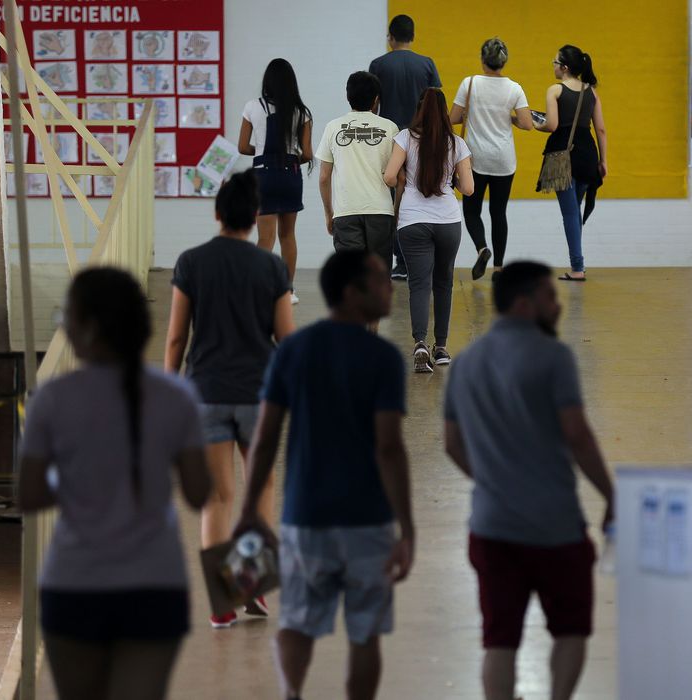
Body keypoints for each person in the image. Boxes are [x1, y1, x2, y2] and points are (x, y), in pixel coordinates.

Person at [18, 267, 211, 700]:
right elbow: (199, 492)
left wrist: (78, 483)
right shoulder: (175, 397)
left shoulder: (51, 399)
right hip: (155, 585)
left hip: (74, 585)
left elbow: (29, 495)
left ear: (85, 328)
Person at [233, 250, 415, 700]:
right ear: (351, 293)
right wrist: (406, 527)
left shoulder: (294, 349)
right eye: (379, 279)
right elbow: (389, 447)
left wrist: (248, 511)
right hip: (367, 521)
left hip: (305, 517)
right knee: (364, 632)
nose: (390, 286)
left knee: (297, 622)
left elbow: (266, 436)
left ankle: (292, 693)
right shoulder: (383, 359)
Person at [443, 261, 614, 700]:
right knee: (571, 627)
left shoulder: (465, 363)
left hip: (491, 525)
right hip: (554, 524)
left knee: (499, 638)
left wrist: (493, 480)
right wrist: (611, 494)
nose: (557, 306)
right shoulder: (553, 356)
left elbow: (451, 444)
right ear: (524, 303)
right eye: (549, 297)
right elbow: (577, 434)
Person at [164, 170, 294, 628]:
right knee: (259, 489)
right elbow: (286, 338)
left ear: (217, 213)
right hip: (259, 395)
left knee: (216, 498)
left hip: (206, 394)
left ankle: (222, 604)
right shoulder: (271, 267)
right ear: (256, 217)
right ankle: (253, 590)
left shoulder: (191, 262)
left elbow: (177, 338)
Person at [383, 88, 473, 373]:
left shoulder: (405, 137)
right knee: (443, 283)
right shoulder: (456, 143)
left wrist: (405, 175)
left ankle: (420, 342)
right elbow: (469, 188)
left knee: (418, 284)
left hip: (413, 221)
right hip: (448, 221)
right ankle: (442, 347)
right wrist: (452, 179)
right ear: (445, 112)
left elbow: (388, 176)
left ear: (419, 110)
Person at [317, 70, 400, 333]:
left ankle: (352, 333)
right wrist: (395, 212)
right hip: (380, 211)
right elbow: (396, 176)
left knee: (350, 278)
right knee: (376, 276)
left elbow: (323, 177)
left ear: (347, 96)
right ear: (376, 99)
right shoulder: (390, 128)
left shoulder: (332, 127)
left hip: (346, 212)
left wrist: (328, 213)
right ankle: (372, 333)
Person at [450, 37, 533, 279]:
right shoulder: (514, 88)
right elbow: (527, 124)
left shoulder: (470, 84)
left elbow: (453, 117)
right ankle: (498, 267)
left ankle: (481, 248)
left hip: (475, 159)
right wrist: (510, 118)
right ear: (503, 61)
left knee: (471, 210)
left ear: (482, 59)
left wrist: (472, 113)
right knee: (499, 213)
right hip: (504, 160)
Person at [369, 14, 442, 281]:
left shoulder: (378, 64)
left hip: (389, 142)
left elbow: (372, 106)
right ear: (412, 37)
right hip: (420, 141)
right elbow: (436, 104)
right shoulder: (426, 64)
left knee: (389, 204)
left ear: (390, 37)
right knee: (418, 198)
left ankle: (390, 260)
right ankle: (412, 262)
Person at [239, 58, 315, 304]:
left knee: (265, 238)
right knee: (287, 236)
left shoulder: (253, 106)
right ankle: (287, 291)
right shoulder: (301, 112)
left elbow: (242, 146)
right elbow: (307, 154)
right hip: (290, 175)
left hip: (263, 175)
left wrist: (263, 154)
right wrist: (288, 158)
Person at [534, 45, 607, 282]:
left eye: (555, 62)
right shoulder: (591, 92)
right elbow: (601, 130)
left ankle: (578, 268)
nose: (553, 66)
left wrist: (534, 124)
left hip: (562, 156)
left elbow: (552, 125)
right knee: (574, 212)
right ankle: (578, 264)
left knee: (570, 214)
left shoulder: (555, 90)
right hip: (588, 154)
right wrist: (604, 160)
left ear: (564, 67)